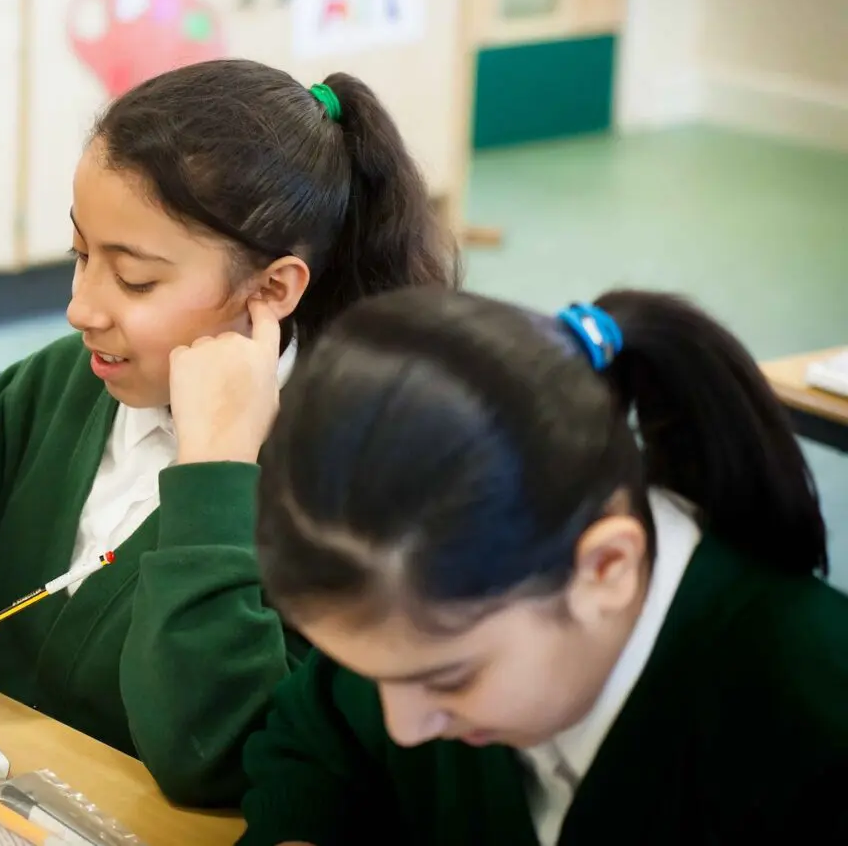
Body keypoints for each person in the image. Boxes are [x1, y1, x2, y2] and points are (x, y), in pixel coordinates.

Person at [0, 58, 457, 806]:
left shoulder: (355, 488)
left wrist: (217, 470)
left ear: (272, 290)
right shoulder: (66, 386)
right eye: (81, 254)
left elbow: (217, 755)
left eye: (135, 279)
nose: (82, 307)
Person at [240, 288, 848, 845]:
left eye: (452, 680)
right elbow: (310, 745)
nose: (404, 729)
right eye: (369, 675)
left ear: (605, 569)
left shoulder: (809, 717)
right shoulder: (417, 620)